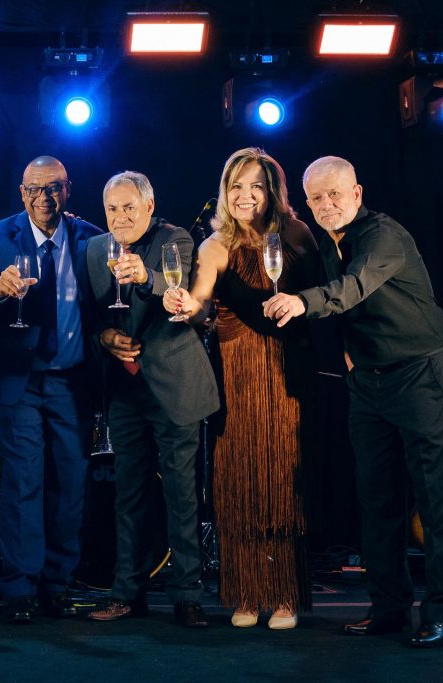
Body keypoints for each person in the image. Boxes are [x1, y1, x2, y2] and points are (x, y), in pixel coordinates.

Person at [263, 155, 443, 648]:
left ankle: (442, 615)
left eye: (335, 193)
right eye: (316, 197)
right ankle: (389, 609)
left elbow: (351, 289)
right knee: (377, 503)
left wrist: (301, 302)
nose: (326, 204)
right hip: (369, 386)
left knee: (436, 502)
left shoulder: (383, 236)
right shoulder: (326, 244)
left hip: (418, 375)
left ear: (357, 193)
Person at [165, 149, 318, 629]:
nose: (245, 195)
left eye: (256, 186)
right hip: (236, 376)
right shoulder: (215, 245)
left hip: (288, 374)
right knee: (240, 481)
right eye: (236, 186)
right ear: (224, 193)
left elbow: (322, 297)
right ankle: (248, 594)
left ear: (272, 191)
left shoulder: (296, 234)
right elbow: (200, 303)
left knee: (283, 480)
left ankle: (285, 594)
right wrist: (184, 305)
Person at [0, 155, 101, 624]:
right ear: (21, 193)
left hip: (72, 379)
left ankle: (58, 584)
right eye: (34, 189)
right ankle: (20, 587)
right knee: (23, 483)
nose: (44, 198)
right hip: (18, 380)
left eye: (54, 188)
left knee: (70, 484)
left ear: (68, 190)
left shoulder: (91, 238)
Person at [86, 171, 219, 627]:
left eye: (129, 207)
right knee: (129, 495)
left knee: (181, 496)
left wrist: (146, 278)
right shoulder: (94, 249)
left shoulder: (173, 238)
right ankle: (127, 593)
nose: (120, 217)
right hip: (125, 391)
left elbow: (175, 291)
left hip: (174, 388)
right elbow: (88, 316)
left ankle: (187, 595)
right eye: (112, 209)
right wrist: (103, 337)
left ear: (148, 205)